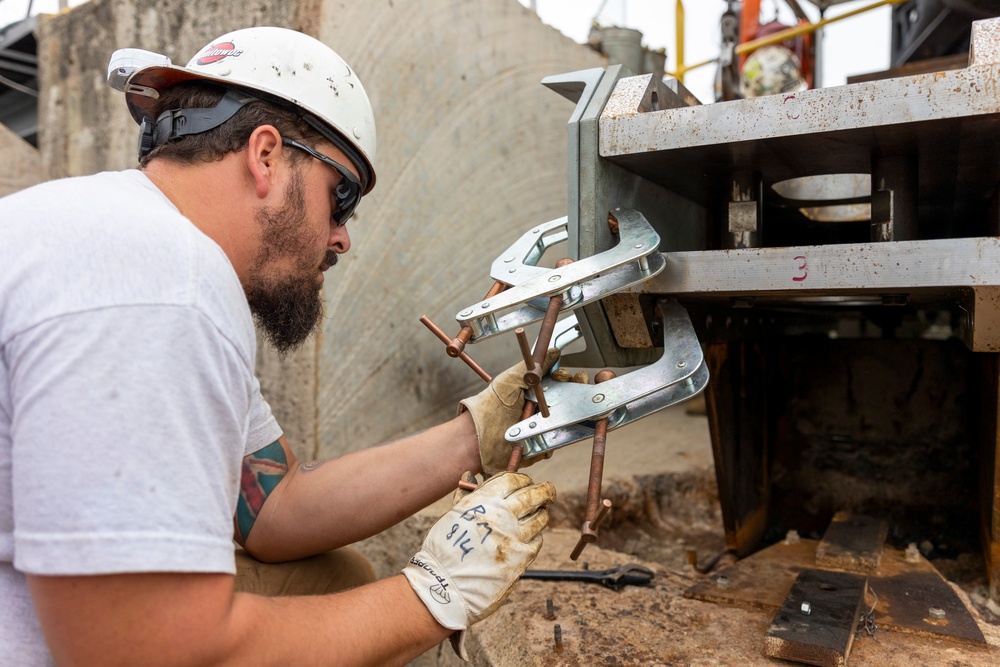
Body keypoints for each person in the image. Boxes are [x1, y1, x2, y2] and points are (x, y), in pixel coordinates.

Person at [0, 26, 558, 666]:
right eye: (340, 197)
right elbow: (154, 656)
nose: (343, 238)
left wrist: (482, 431)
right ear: (265, 155)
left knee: (331, 578)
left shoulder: (140, 244)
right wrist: (433, 595)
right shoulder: (161, 287)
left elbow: (271, 509)